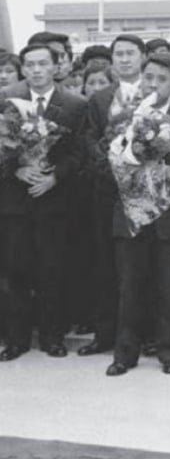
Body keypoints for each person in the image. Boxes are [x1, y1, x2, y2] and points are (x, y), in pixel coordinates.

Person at [105, 56, 170, 376]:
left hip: (169, 216)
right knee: (129, 286)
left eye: (161, 79)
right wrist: (127, 169)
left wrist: (167, 173)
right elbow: (103, 162)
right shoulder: (123, 118)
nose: (153, 84)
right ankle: (125, 353)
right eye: (148, 77)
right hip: (130, 216)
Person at [0, 44, 88, 361]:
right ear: (23, 68)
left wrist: (55, 177)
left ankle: (53, 336)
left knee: (53, 270)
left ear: (56, 66)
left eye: (43, 64)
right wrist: (16, 168)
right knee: (15, 271)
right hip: (15, 201)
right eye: (30, 65)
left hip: (55, 201)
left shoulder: (75, 105)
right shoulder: (6, 99)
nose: (36, 70)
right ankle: (16, 339)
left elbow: (79, 153)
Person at [79, 34, 149, 358]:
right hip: (107, 192)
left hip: (146, 193)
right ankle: (105, 333)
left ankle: (148, 334)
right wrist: (110, 167)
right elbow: (90, 139)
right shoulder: (100, 99)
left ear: (142, 56)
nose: (124, 59)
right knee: (105, 264)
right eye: (118, 54)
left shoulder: (155, 93)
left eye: (130, 53)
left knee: (145, 265)